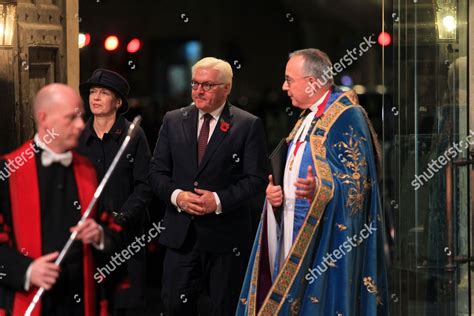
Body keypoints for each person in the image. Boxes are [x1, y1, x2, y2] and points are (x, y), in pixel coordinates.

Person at [237, 49, 388, 315]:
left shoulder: (347, 116)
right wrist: (275, 196)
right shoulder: (306, 118)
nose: (284, 87)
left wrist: (321, 189)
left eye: (289, 79)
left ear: (312, 82)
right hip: (291, 229)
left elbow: (357, 188)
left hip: (324, 240)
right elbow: (291, 170)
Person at [149, 57, 268, 315]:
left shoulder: (247, 124)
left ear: (226, 88)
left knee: (225, 309)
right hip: (181, 237)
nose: (199, 91)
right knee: (173, 307)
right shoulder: (173, 120)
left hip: (226, 239)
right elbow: (156, 173)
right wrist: (177, 196)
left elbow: (256, 179)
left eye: (207, 85)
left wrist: (218, 200)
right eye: (195, 84)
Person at [0, 84, 123, 316]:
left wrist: (99, 236)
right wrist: (26, 270)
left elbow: (114, 231)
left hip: (82, 302)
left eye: (81, 117)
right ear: (44, 119)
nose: (80, 125)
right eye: (71, 118)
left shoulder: (90, 171)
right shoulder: (7, 172)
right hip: (28, 301)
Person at [77, 69, 152, 316]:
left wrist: (121, 218)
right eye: (92, 92)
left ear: (118, 102)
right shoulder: (77, 136)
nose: (95, 97)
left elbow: (145, 185)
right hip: (86, 239)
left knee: (126, 304)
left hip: (126, 239)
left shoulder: (134, 135)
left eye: (104, 93)